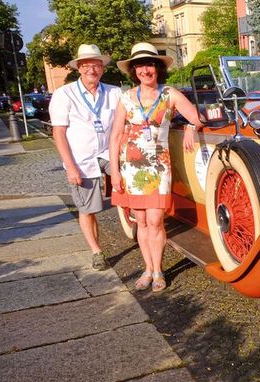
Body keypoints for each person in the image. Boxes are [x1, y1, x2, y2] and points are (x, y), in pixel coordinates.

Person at [109, 42, 201, 292]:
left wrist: (192, 127)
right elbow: (116, 136)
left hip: (159, 166)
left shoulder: (170, 94)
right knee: (141, 220)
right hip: (132, 167)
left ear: (158, 67)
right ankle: (147, 269)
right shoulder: (126, 98)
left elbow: (197, 117)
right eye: (139, 65)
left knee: (156, 220)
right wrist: (115, 171)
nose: (145, 70)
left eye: (149, 64)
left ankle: (159, 269)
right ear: (134, 70)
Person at [49, 44, 122, 270]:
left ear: (103, 68)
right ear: (79, 68)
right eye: (87, 65)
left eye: (97, 64)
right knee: (88, 208)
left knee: (130, 185)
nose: (92, 69)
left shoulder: (114, 92)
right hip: (80, 158)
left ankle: (136, 222)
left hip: (108, 152)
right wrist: (70, 168)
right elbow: (58, 133)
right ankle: (96, 250)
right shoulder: (64, 94)